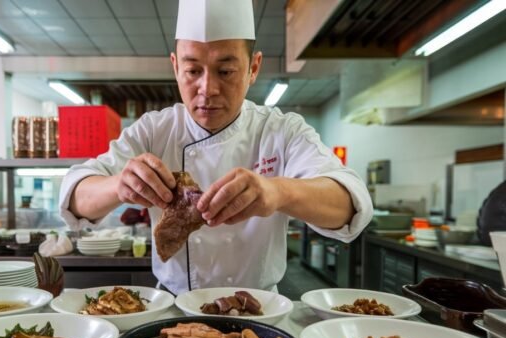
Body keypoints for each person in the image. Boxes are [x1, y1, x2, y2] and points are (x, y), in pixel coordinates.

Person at [59, 0, 373, 295]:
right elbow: (75, 199)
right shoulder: (154, 131)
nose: (207, 89)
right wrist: (119, 185)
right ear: (175, 66)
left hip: (257, 310)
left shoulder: (281, 130)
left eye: (225, 71)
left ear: (254, 67)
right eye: (193, 70)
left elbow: (349, 205)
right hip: (175, 310)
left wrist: (278, 192)